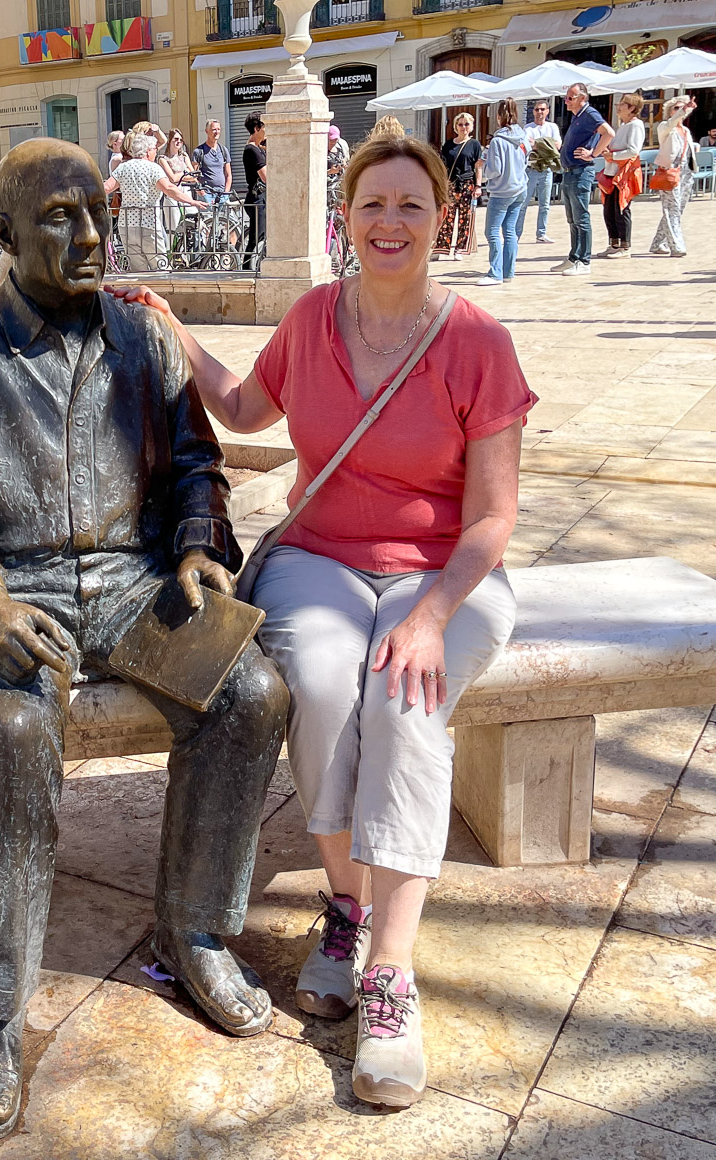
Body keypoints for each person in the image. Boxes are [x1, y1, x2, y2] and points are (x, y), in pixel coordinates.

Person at [113, 132, 535, 1110]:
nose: (390, 223)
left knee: (404, 697)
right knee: (324, 683)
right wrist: (176, 330)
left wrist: (430, 617)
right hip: (320, 556)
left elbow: (493, 520)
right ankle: (345, 903)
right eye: (373, 205)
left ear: (443, 218)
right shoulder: (312, 319)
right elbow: (243, 409)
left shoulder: (479, 343)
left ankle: (388, 970)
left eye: (411, 206)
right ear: (346, 216)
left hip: (446, 575)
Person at [0, 137, 288, 1143]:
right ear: (5, 233)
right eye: (59, 218)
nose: (89, 237)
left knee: (252, 696)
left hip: (129, 585)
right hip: (13, 593)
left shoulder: (143, 339)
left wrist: (199, 549)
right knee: (17, 736)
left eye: (96, 214)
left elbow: (199, 461)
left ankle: (196, 931)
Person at [105, 129, 200, 269]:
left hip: (126, 225)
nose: (156, 152)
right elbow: (169, 188)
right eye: (155, 149)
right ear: (148, 151)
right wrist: (191, 201)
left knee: (138, 271)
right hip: (148, 223)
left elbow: (106, 187)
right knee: (161, 267)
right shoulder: (154, 168)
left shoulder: (123, 168)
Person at [554, 83, 614, 276]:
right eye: (566, 98)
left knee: (581, 217)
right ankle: (574, 256)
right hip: (570, 171)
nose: (566, 101)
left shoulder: (590, 114)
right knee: (572, 218)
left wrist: (593, 154)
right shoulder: (578, 117)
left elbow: (609, 133)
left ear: (582, 98)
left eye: (570, 98)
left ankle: (584, 260)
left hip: (581, 171)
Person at [478, 98, 529, 286]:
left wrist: (483, 169)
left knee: (491, 231)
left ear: (499, 117)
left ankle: (495, 273)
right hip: (520, 188)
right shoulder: (522, 136)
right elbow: (526, 160)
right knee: (509, 231)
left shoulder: (498, 141)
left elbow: (495, 169)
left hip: (502, 191)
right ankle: (508, 271)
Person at [597, 92, 646, 259]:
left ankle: (625, 246)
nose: (618, 106)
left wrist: (614, 156)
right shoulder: (623, 125)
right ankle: (614, 243)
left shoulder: (636, 125)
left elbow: (634, 150)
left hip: (624, 174)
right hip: (612, 172)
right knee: (609, 210)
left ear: (631, 108)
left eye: (622, 104)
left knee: (621, 209)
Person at [648, 95, 697, 258]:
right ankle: (676, 245)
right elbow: (671, 123)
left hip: (686, 173)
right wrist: (683, 111)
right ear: (670, 111)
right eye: (676, 108)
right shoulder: (664, 127)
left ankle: (658, 242)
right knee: (672, 209)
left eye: (683, 108)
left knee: (677, 209)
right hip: (669, 171)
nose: (681, 111)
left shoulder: (686, 131)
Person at [434, 112, 482, 260]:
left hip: (466, 184)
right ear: (455, 126)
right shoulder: (448, 145)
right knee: (446, 216)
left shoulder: (474, 144)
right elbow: (442, 166)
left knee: (464, 217)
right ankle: (442, 247)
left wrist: (478, 186)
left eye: (466, 124)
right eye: (460, 124)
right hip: (450, 184)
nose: (463, 127)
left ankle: (460, 249)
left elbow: (478, 166)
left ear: (472, 126)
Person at [523, 101, 561, 244]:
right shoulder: (528, 128)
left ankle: (541, 233)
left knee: (545, 204)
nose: (539, 112)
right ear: (533, 112)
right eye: (537, 109)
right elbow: (529, 145)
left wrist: (538, 143)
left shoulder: (553, 127)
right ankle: (516, 232)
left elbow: (557, 145)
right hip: (531, 170)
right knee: (523, 204)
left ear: (547, 111)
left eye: (542, 109)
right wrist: (547, 144)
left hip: (547, 169)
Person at [242, 112, 267, 270]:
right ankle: (247, 270)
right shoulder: (252, 150)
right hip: (257, 199)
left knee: (260, 236)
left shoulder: (258, 148)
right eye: (265, 127)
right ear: (257, 128)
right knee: (256, 238)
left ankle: (252, 267)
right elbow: (266, 177)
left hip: (260, 198)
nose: (267, 130)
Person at [192, 118, 233, 205]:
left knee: (224, 218)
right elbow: (194, 175)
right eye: (214, 129)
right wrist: (201, 191)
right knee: (208, 219)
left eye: (218, 129)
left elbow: (228, 174)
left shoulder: (224, 150)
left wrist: (226, 193)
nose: (217, 132)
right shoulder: (199, 151)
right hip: (207, 195)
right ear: (207, 131)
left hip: (222, 194)